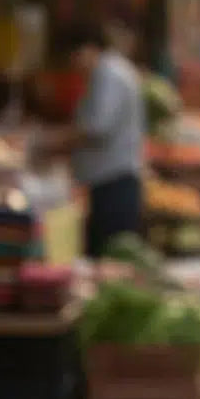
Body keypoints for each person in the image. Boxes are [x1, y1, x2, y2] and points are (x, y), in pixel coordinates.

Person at [42, 22, 144, 257]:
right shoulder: (104, 74)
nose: (74, 66)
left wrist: (51, 144)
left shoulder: (110, 74)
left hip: (114, 184)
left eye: (73, 58)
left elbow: (95, 128)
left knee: (111, 255)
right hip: (106, 182)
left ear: (87, 49)